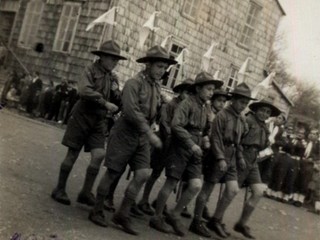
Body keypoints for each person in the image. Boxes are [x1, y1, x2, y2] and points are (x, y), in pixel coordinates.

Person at [88, 45, 177, 236]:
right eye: (159, 67)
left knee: (143, 173)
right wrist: (150, 132)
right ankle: (96, 210)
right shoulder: (133, 83)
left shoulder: (155, 86)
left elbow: (154, 111)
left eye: (164, 68)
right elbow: (130, 111)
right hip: (125, 133)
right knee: (112, 172)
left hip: (142, 137)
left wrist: (154, 127)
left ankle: (122, 213)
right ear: (148, 65)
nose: (162, 71)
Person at [51, 40, 127, 206]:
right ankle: (59, 189)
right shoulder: (90, 70)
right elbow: (84, 90)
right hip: (82, 116)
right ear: (102, 57)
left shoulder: (112, 77)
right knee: (73, 153)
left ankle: (85, 192)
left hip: (99, 120)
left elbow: (117, 100)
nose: (115, 63)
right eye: (112, 59)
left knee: (99, 154)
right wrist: (105, 103)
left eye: (117, 60)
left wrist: (118, 95)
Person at [149, 72, 223, 237]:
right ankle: (157, 217)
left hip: (195, 149)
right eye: (208, 89)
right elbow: (176, 126)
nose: (211, 93)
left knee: (196, 185)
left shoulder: (205, 107)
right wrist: (190, 143)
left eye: (213, 90)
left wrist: (205, 139)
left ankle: (174, 214)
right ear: (198, 88)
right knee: (171, 182)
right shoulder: (187, 104)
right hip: (181, 147)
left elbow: (204, 129)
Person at [191, 83, 254, 238]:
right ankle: (196, 221)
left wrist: (239, 157)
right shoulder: (222, 115)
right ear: (233, 100)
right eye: (241, 102)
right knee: (208, 188)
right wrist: (220, 158)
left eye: (246, 103)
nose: (243, 106)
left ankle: (215, 219)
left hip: (232, 155)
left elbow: (239, 141)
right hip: (218, 154)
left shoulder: (240, 118)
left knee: (233, 189)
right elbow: (216, 138)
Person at [137, 78, 194, 216]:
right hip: (165, 142)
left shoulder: (189, 107)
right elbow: (165, 123)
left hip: (178, 146)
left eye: (191, 93)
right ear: (180, 92)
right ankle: (143, 200)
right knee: (155, 172)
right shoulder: (170, 105)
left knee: (173, 176)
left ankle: (159, 201)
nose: (188, 96)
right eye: (186, 92)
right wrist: (171, 136)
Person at [293, 128, 320, 206]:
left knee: (305, 181)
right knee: (298, 178)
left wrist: (313, 159)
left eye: (314, 134)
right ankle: (294, 198)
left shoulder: (318, 145)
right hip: (301, 162)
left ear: (317, 136)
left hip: (309, 164)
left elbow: (318, 155)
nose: (311, 135)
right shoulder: (305, 142)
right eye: (311, 133)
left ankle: (300, 200)